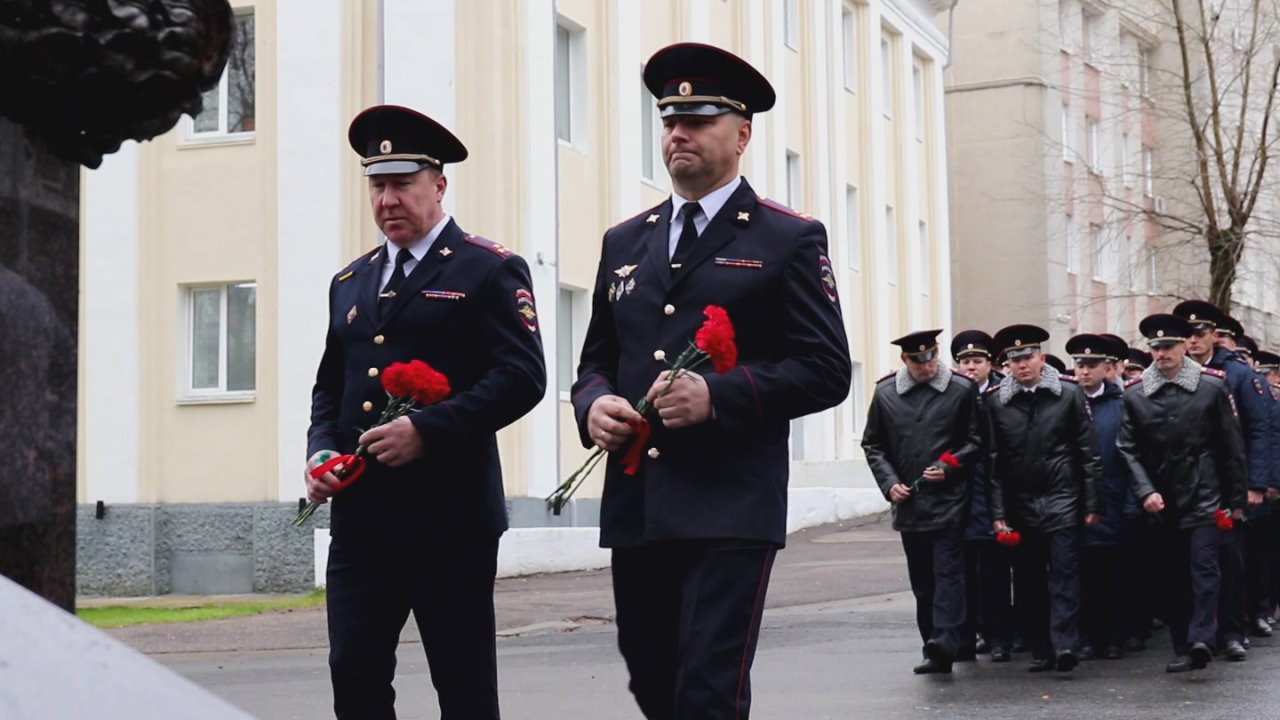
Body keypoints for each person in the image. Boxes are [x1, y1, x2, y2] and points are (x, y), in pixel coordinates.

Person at [571, 43, 851, 719]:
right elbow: (596, 359)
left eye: (697, 121)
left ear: (742, 134)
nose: (678, 134)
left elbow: (826, 370)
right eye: (670, 121)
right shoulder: (625, 241)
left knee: (708, 687)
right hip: (640, 503)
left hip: (730, 504)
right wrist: (595, 405)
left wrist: (718, 395)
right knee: (651, 679)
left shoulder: (788, 237)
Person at [306, 105, 547, 719]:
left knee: (463, 687)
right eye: (376, 185)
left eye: (402, 183)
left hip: (450, 521)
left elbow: (523, 377)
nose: (387, 200)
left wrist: (427, 430)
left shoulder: (488, 268)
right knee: (353, 676)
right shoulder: (350, 281)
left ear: (438, 185)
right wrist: (321, 451)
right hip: (363, 522)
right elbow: (330, 387)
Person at [1118, 313, 1247, 673]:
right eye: (1156, 348)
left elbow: (1231, 446)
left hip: (1205, 492)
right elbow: (1127, 448)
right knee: (1173, 574)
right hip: (1162, 498)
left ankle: (1202, 637)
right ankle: (1183, 646)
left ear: (1183, 347)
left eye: (1169, 346)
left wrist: (1235, 501)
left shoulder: (1211, 386)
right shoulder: (1136, 393)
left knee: (1205, 568)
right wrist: (1145, 491)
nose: (1162, 354)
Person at [985, 324, 1103, 673]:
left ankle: (1065, 644)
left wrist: (1092, 503)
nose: (1022, 365)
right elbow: (993, 462)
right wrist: (998, 513)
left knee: (1064, 573)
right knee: (1028, 579)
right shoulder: (996, 401)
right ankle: (1041, 648)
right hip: (1020, 502)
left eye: (1028, 357)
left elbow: (1088, 452)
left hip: (1063, 496)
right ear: (1007, 364)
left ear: (1041, 358)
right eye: (1015, 360)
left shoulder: (1067, 394)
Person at [863, 330, 981, 674]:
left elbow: (975, 440)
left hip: (949, 501)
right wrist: (890, 484)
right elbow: (873, 445)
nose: (926, 367)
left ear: (937, 354)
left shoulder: (960, 389)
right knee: (923, 583)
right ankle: (932, 642)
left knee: (948, 576)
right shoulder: (886, 393)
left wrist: (948, 466)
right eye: (918, 362)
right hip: (909, 503)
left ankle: (943, 645)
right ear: (905, 361)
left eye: (931, 359)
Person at [1173, 300, 1270, 661]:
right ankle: (1198, 634)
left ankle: (1232, 631)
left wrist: (1256, 483)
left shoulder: (1238, 374)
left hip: (1229, 478)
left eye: (1200, 333)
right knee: (1191, 563)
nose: (1193, 340)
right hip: (1186, 480)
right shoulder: (1172, 372)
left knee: (1230, 558)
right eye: (1187, 334)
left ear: (1214, 335)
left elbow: (1258, 430)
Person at [951, 329, 1014, 662]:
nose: (971, 367)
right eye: (965, 362)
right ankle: (968, 636)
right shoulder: (952, 394)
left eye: (977, 361)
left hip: (997, 489)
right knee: (963, 574)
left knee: (995, 572)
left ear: (990, 363)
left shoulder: (1003, 393)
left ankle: (999, 636)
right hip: (961, 491)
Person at [1068, 334, 1131, 660]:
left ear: (1107, 368)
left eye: (1091, 365)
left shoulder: (1122, 403)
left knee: (1114, 571)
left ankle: (1115, 635)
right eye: (1080, 365)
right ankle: (1088, 636)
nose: (1084, 371)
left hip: (1114, 498)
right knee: (1082, 573)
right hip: (1075, 500)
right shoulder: (1067, 401)